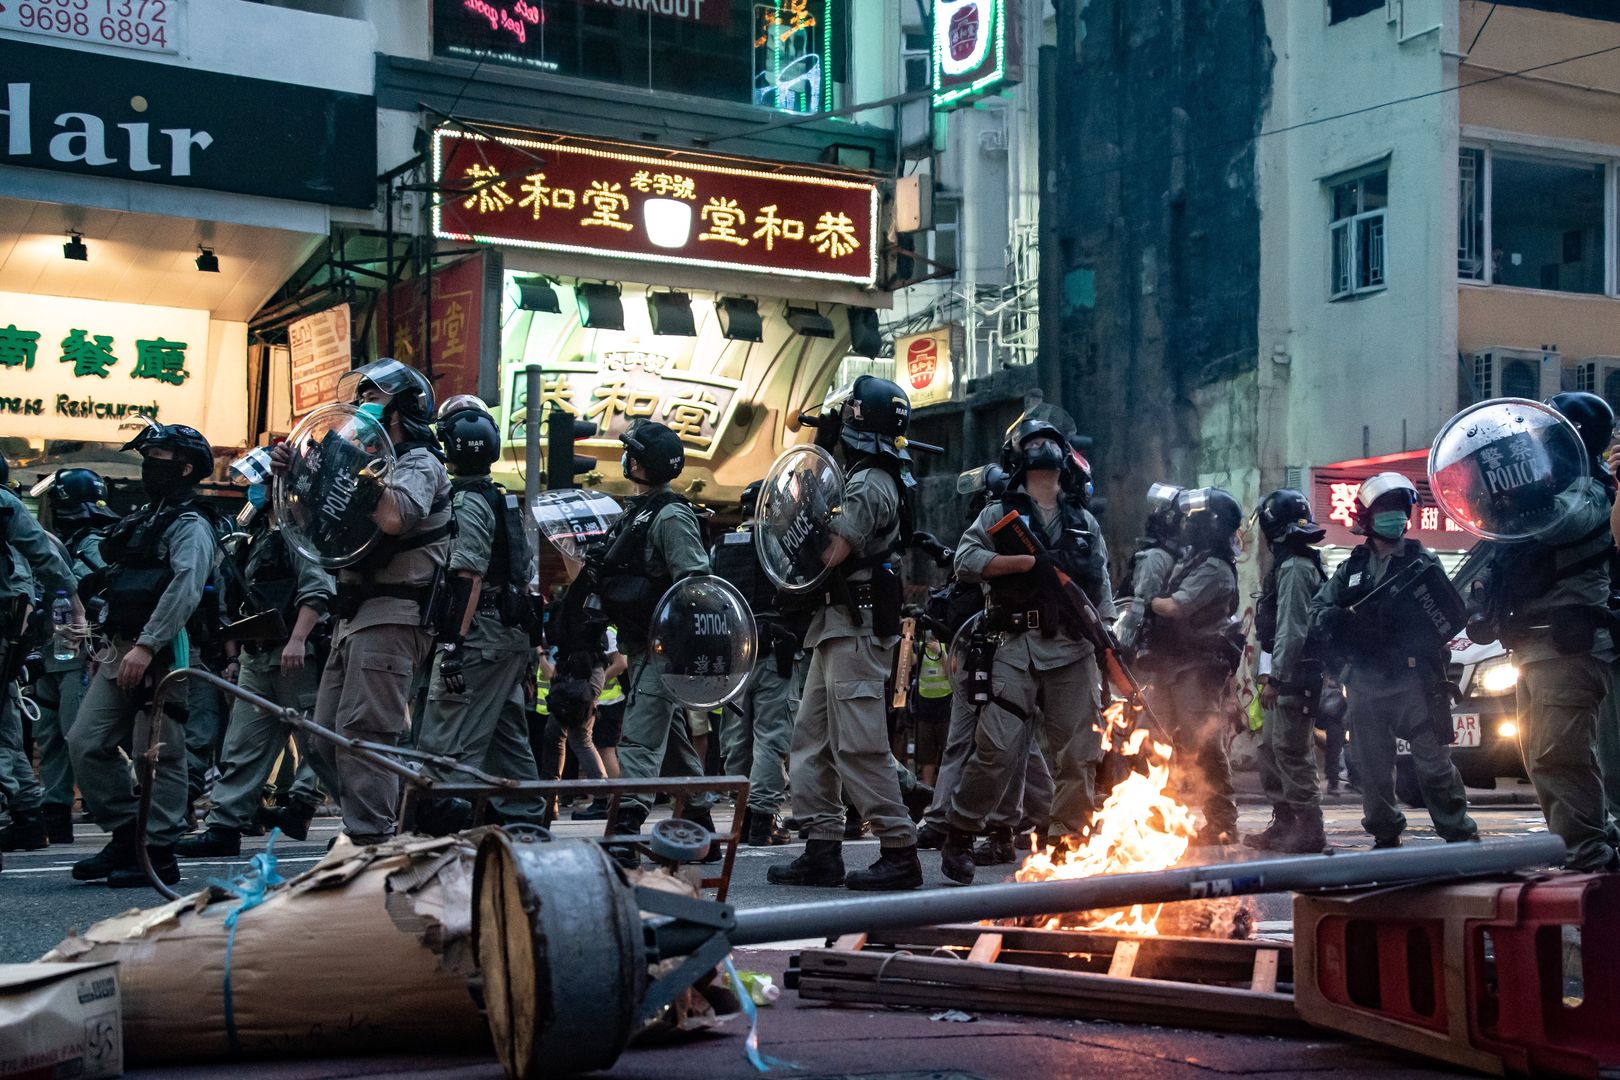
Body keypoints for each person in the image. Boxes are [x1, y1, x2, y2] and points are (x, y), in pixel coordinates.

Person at [281, 359, 453, 846]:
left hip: (395, 615)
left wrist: (354, 469)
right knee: (326, 739)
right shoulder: (370, 459)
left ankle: (373, 841)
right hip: (352, 615)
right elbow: (322, 529)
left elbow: (396, 516)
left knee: (367, 734)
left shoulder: (420, 463)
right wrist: (301, 471)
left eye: (375, 397)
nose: (363, 405)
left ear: (399, 409)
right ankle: (390, 819)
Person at [938, 417, 1115, 884]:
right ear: (1018, 456)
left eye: (1050, 443)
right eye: (1033, 443)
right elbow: (966, 561)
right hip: (1014, 645)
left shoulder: (1084, 522)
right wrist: (1027, 564)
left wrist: (1108, 643)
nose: (1043, 450)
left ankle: (1066, 841)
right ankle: (960, 832)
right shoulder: (998, 514)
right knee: (995, 750)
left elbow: (1102, 592)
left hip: (1073, 649)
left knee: (1078, 754)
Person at [767, 376, 923, 891]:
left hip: (856, 628)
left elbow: (833, 549)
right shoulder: (862, 473)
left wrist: (801, 505)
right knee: (810, 741)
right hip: (834, 626)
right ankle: (821, 847)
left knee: (859, 744)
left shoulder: (871, 482)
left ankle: (900, 850)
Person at [68, 423, 221, 887]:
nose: (149, 463)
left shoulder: (192, 523)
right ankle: (127, 831)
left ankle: (157, 850)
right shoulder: (145, 516)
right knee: (85, 741)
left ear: (186, 467)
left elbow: (185, 588)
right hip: (120, 646)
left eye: (160, 455)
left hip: (163, 649)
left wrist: (148, 644)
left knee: (159, 753)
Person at [1474, 393, 1616, 871]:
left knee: (1561, 756)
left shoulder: (1593, 487)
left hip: (1566, 647)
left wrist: (1531, 494)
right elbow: (1495, 529)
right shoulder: (1541, 492)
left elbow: (1565, 522)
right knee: (1540, 757)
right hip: (1531, 648)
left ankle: (1588, 855)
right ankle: (1595, 842)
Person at [176, 450, 336, 857]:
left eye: (261, 482)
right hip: (258, 655)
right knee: (241, 745)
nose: (253, 490)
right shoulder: (263, 533)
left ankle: (363, 820)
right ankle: (224, 826)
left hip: (293, 658)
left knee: (321, 748)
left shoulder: (300, 532)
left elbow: (316, 590)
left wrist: (299, 639)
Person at [1310, 472, 1477, 848]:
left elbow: (1448, 616)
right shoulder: (1352, 566)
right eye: (1385, 510)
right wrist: (1332, 619)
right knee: (1372, 771)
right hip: (1366, 684)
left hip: (1415, 682)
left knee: (1434, 766)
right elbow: (1320, 607)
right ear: (1367, 517)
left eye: (1400, 510)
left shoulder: (1423, 561)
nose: (1395, 518)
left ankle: (1460, 837)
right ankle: (1385, 837)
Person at [409, 397, 546, 832]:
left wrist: (452, 642)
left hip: (478, 636)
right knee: (507, 739)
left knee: (447, 738)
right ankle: (528, 823)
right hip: (506, 636)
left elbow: (467, 574)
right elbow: (523, 575)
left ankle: (447, 825)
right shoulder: (503, 499)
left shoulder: (466, 502)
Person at [593, 419, 715, 866]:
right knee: (675, 745)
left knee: (641, 739)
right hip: (641, 645)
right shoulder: (638, 511)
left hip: (665, 650)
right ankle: (700, 821)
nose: (625, 458)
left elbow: (695, 586)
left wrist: (679, 645)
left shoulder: (670, 515)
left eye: (631, 452)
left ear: (643, 463)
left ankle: (626, 829)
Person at [1140, 487, 1244, 845]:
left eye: (1197, 518)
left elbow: (1174, 608)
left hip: (1197, 669)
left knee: (1204, 745)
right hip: (1172, 665)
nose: (1188, 524)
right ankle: (1161, 815)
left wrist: (1145, 600)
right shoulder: (1194, 558)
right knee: (1155, 740)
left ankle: (1222, 820)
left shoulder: (1216, 568)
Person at [28, 468, 118, 844]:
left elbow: (104, 591)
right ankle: (55, 809)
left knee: (80, 735)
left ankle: (120, 808)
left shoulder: (95, 543)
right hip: (52, 650)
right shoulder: (56, 541)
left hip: (81, 652)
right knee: (49, 735)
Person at [0, 466, 82, 861]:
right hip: (30, 644)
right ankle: (30, 816)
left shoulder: (6, 507)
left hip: (50, 647)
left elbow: (47, 564)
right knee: (17, 732)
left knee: (59, 735)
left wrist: (75, 605)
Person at [710, 480, 796, 846]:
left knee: (736, 738)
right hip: (774, 649)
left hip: (733, 654)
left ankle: (742, 815)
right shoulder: (780, 545)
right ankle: (762, 819)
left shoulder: (721, 547)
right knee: (771, 736)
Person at [1245, 488, 1328, 853]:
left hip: (1297, 674)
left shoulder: (1295, 567)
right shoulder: (1289, 563)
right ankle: (1285, 823)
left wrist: (1276, 678)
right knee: (1270, 749)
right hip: (1283, 673)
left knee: (1291, 749)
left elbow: (1291, 629)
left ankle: (1309, 829)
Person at [1114, 483, 1184, 655]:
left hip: (1168, 643)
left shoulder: (1179, 554)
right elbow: (1142, 606)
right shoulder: (1156, 557)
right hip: (1145, 646)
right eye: (1184, 519)